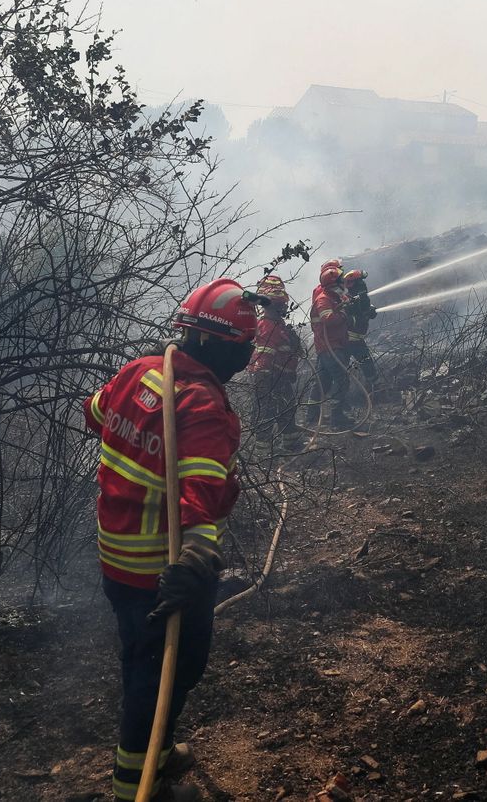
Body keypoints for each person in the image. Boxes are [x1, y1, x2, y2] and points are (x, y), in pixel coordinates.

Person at [86, 278, 258, 802]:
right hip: (161, 571)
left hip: (116, 557)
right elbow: (199, 499)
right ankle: (138, 787)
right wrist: (195, 562)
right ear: (216, 344)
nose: (247, 358)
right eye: (242, 348)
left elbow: (96, 411)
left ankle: (159, 754)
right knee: (162, 677)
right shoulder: (203, 407)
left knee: (141, 660)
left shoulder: (140, 373)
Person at [248, 274, 304, 447]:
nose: (284, 307)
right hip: (268, 378)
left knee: (287, 409)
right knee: (266, 412)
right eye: (279, 304)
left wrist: (295, 344)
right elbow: (264, 356)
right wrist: (264, 380)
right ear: (270, 305)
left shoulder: (279, 325)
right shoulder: (266, 325)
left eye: (283, 304)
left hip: (281, 377)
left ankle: (291, 442)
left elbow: (293, 353)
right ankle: (262, 450)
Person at [309, 260, 351, 427]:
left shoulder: (334, 297)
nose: (344, 283)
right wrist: (345, 315)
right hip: (329, 347)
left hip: (331, 346)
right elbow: (328, 319)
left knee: (323, 384)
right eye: (341, 280)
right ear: (334, 283)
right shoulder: (324, 300)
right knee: (342, 381)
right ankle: (337, 416)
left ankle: (312, 417)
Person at [340, 268, 378, 393]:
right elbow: (347, 318)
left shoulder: (361, 299)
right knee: (343, 370)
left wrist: (370, 311)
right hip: (348, 341)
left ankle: (371, 394)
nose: (363, 285)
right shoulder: (346, 300)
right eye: (360, 283)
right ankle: (342, 400)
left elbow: (365, 308)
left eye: (363, 283)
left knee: (368, 367)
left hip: (357, 340)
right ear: (352, 284)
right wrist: (363, 315)